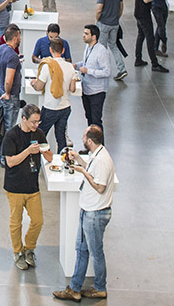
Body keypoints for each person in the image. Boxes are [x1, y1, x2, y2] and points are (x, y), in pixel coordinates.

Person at [53, 125, 116, 302]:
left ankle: (100, 287)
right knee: (81, 250)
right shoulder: (97, 154)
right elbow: (92, 170)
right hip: (88, 210)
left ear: (89, 140)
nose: (82, 139)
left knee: (96, 252)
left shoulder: (103, 160)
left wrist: (82, 171)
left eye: (83, 136)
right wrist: (80, 160)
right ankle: (74, 288)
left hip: (95, 214)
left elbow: (100, 187)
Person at [2, 104, 51, 271]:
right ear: (24, 119)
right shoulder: (11, 136)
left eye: (38, 122)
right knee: (16, 222)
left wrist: (45, 151)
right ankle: (18, 252)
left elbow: (50, 157)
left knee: (38, 221)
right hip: (15, 187)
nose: (36, 126)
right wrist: (29, 151)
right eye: (33, 122)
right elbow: (10, 161)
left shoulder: (39, 134)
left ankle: (29, 248)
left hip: (32, 186)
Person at [31, 38, 78, 152]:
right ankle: (62, 160)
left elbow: (39, 87)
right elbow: (72, 89)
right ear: (63, 51)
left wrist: (33, 83)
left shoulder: (48, 66)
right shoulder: (70, 67)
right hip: (65, 107)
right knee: (61, 136)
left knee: (40, 133)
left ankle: (39, 156)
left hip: (51, 107)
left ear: (50, 50)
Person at [0, 24, 23, 166]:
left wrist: (0, 73)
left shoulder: (1, 49)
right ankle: (5, 159)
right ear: (15, 37)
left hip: (1, 92)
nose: (20, 39)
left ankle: (0, 155)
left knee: (4, 125)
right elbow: (9, 80)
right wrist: (8, 92)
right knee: (10, 128)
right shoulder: (12, 56)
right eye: (19, 36)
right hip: (10, 96)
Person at [77, 25, 111, 137]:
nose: (83, 35)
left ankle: (100, 147)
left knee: (96, 121)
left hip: (97, 91)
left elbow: (106, 72)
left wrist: (88, 71)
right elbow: (86, 62)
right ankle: (90, 145)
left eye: (86, 33)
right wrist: (76, 66)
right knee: (89, 118)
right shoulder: (88, 47)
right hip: (86, 89)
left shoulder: (102, 51)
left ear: (94, 37)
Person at [94, 0, 127, 81]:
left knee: (102, 48)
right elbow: (121, 7)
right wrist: (117, 18)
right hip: (115, 24)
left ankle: (103, 70)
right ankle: (122, 69)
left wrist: (97, 19)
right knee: (113, 45)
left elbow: (99, 9)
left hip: (104, 24)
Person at [133, 0, 167, 72]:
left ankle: (138, 58)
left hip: (137, 12)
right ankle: (154, 63)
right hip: (144, 14)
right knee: (150, 38)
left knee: (140, 35)